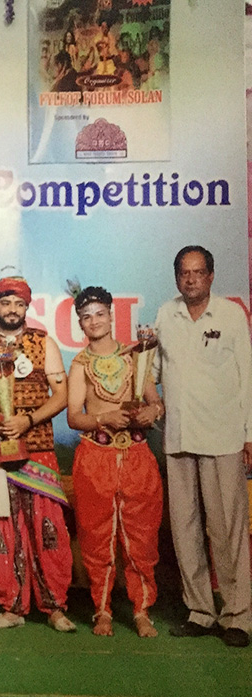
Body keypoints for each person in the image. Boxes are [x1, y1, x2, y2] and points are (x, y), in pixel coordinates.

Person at [0, 273, 76, 632]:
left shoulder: (44, 343)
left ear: (27, 307)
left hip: (37, 446)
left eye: (19, 304)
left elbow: (61, 395)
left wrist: (28, 420)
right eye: (5, 303)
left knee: (47, 527)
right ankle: (11, 606)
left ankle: (54, 607)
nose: (12, 309)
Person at [155, 245, 252, 648]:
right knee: (185, 529)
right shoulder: (166, 314)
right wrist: (149, 400)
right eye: (184, 272)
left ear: (211, 276)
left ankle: (238, 615)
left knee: (228, 530)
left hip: (223, 436)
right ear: (177, 277)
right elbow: (152, 369)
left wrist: (249, 434)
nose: (191, 279)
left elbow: (248, 375)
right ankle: (199, 611)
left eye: (198, 272)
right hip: (178, 437)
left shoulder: (231, 315)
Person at [66, 285, 163, 638]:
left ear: (111, 315)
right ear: (80, 323)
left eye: (99, 314)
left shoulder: (136, 356)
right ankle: (102, 609)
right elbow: (74, 417)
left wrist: (151, 412)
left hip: (137, 457)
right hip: (96, 458)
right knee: (96, 537)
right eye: (86, 317)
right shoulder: (80, 364)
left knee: (141, 537)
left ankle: (141, 610)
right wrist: (103, 419)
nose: (94, 321)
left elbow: (155, 402)